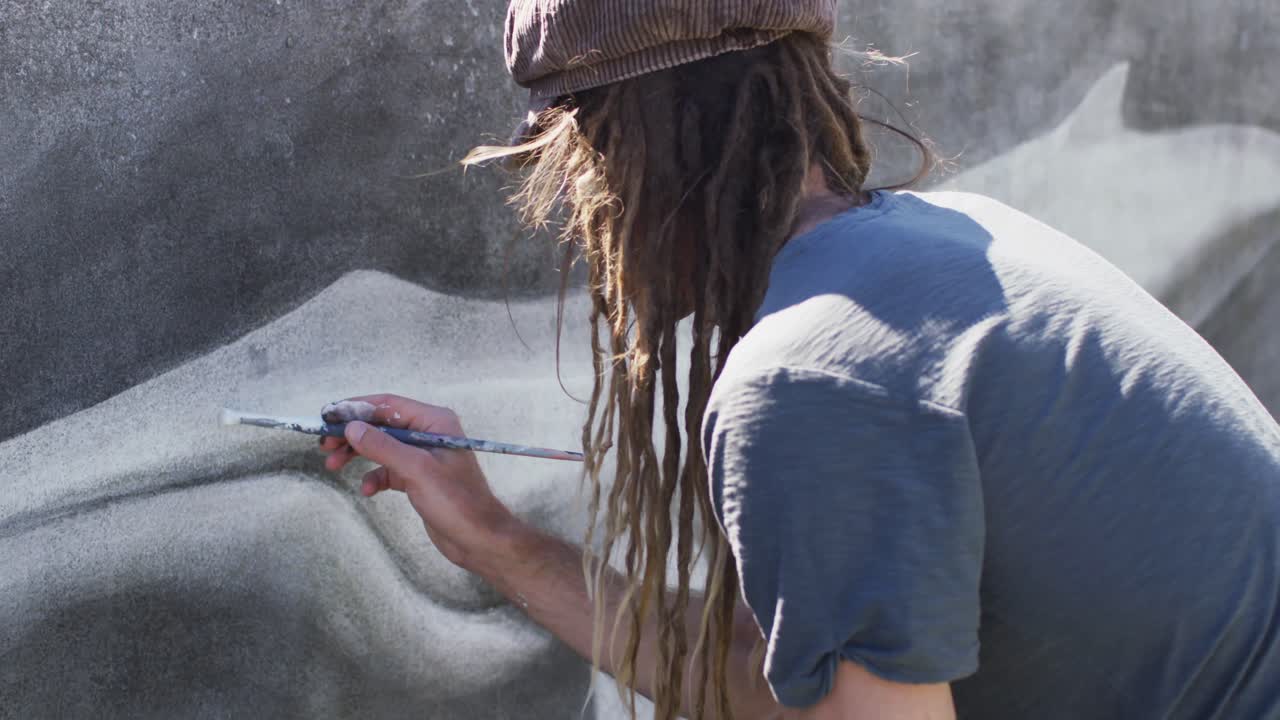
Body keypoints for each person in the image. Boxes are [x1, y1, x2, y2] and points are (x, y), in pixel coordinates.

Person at [321, 1, 1280, 718]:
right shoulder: (951, 242)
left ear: (619, 152)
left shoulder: (811, 377)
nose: (579, 215)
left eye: (573, 165)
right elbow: (782, 680)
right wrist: (493, 539)